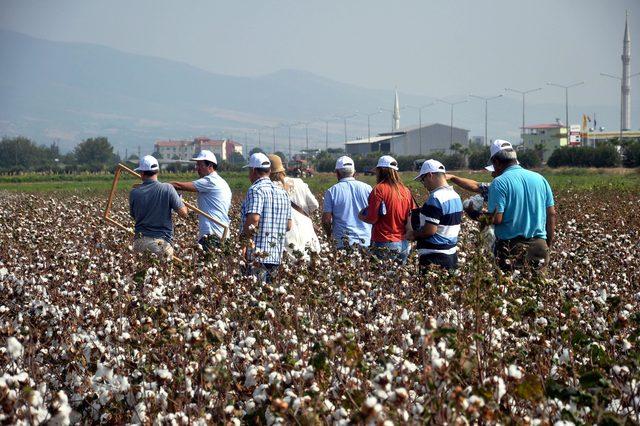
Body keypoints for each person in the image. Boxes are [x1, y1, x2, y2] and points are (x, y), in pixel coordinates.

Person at [486, 139, 557, 273]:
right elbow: (551, 214)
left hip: (511, 248)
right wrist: (548, 243)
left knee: (511, 289)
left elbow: (496, 218)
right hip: (539, 245)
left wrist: (476, 215)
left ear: (496, 162)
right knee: (538, 290)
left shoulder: (499, 182)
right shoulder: (540, 179)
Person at [240, 153, 292, 282]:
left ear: (253, 171)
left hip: (257, 257)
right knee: (271, 295)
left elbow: (254, 220)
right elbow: (289, 225)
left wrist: (243, 244)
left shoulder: (256, 190)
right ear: (269, 171)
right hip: (276, 255)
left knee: (255, 295)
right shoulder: (283, 192)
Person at [406, 159, 463, 271]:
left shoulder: (435, 198)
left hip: (435, 257)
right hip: (451, 254)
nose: (424, 185)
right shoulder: (455, 196)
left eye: (423, 180)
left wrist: (413, 234)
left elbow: (429, 230)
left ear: (430, 175)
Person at [359, 155, 416, 264]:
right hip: (403, 242)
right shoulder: (405, 190)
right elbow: (411, 215)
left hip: (384, 242)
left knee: (381, 277)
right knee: (399, 279)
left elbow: (372, 219)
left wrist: (361, 216)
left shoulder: (379, 189)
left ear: (380, 170)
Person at [170, 150, 232, 252]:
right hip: (222, 233)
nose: (196, 168)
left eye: (200, 165)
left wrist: (159, 186)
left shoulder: (211, 181)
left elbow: (179, 185)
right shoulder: (222, 182)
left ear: (210, 166)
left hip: (212, 235)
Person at [129, 155, 188, 260]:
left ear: (142, 173)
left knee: (139, 274)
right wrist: (180, 201)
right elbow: (184, 213)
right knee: (162, 275)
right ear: (158, 171)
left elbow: (134, 216)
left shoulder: (134, 192)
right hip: (161, 243)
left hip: (140, 241)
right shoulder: (168, 189)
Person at [267, 154, 320, 259]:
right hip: (306, 231)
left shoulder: (269, 188)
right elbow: (315, 205)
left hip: (286, 235)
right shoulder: (299, 182)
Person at [322, 156, 372, 249]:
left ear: (337, 173)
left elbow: (326, 220)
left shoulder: (331, 191)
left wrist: (329, 235)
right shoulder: (368, 188)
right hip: (366, 240)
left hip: (343, 242)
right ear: (354, 173)